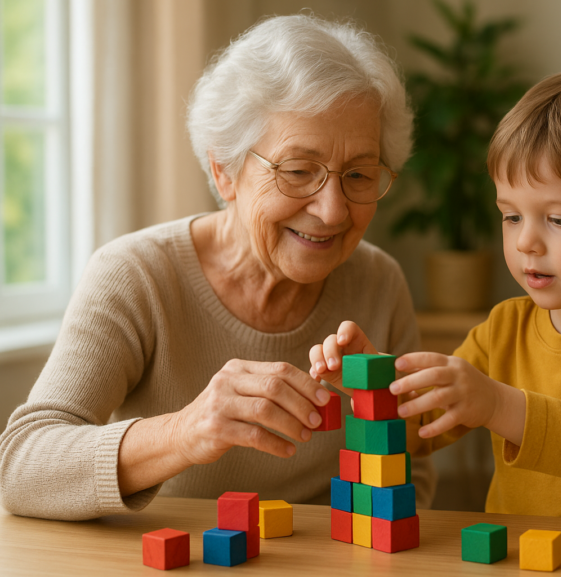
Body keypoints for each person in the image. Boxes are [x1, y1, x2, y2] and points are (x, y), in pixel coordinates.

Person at [0, 14, 435, 521]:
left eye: (359, 174)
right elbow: (21, 467)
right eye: (298, 170)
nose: (334, 211)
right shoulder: (137, 275)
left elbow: (415, 468)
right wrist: (186, 431)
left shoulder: (380, 281)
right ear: (223, 171)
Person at [311, 67, 561, 525]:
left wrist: (500, 405)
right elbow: (419, 434)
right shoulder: (503, 329)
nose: (525, 242)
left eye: (559, 219)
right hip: (527, 556)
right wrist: (376, 388)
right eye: (511, 216)